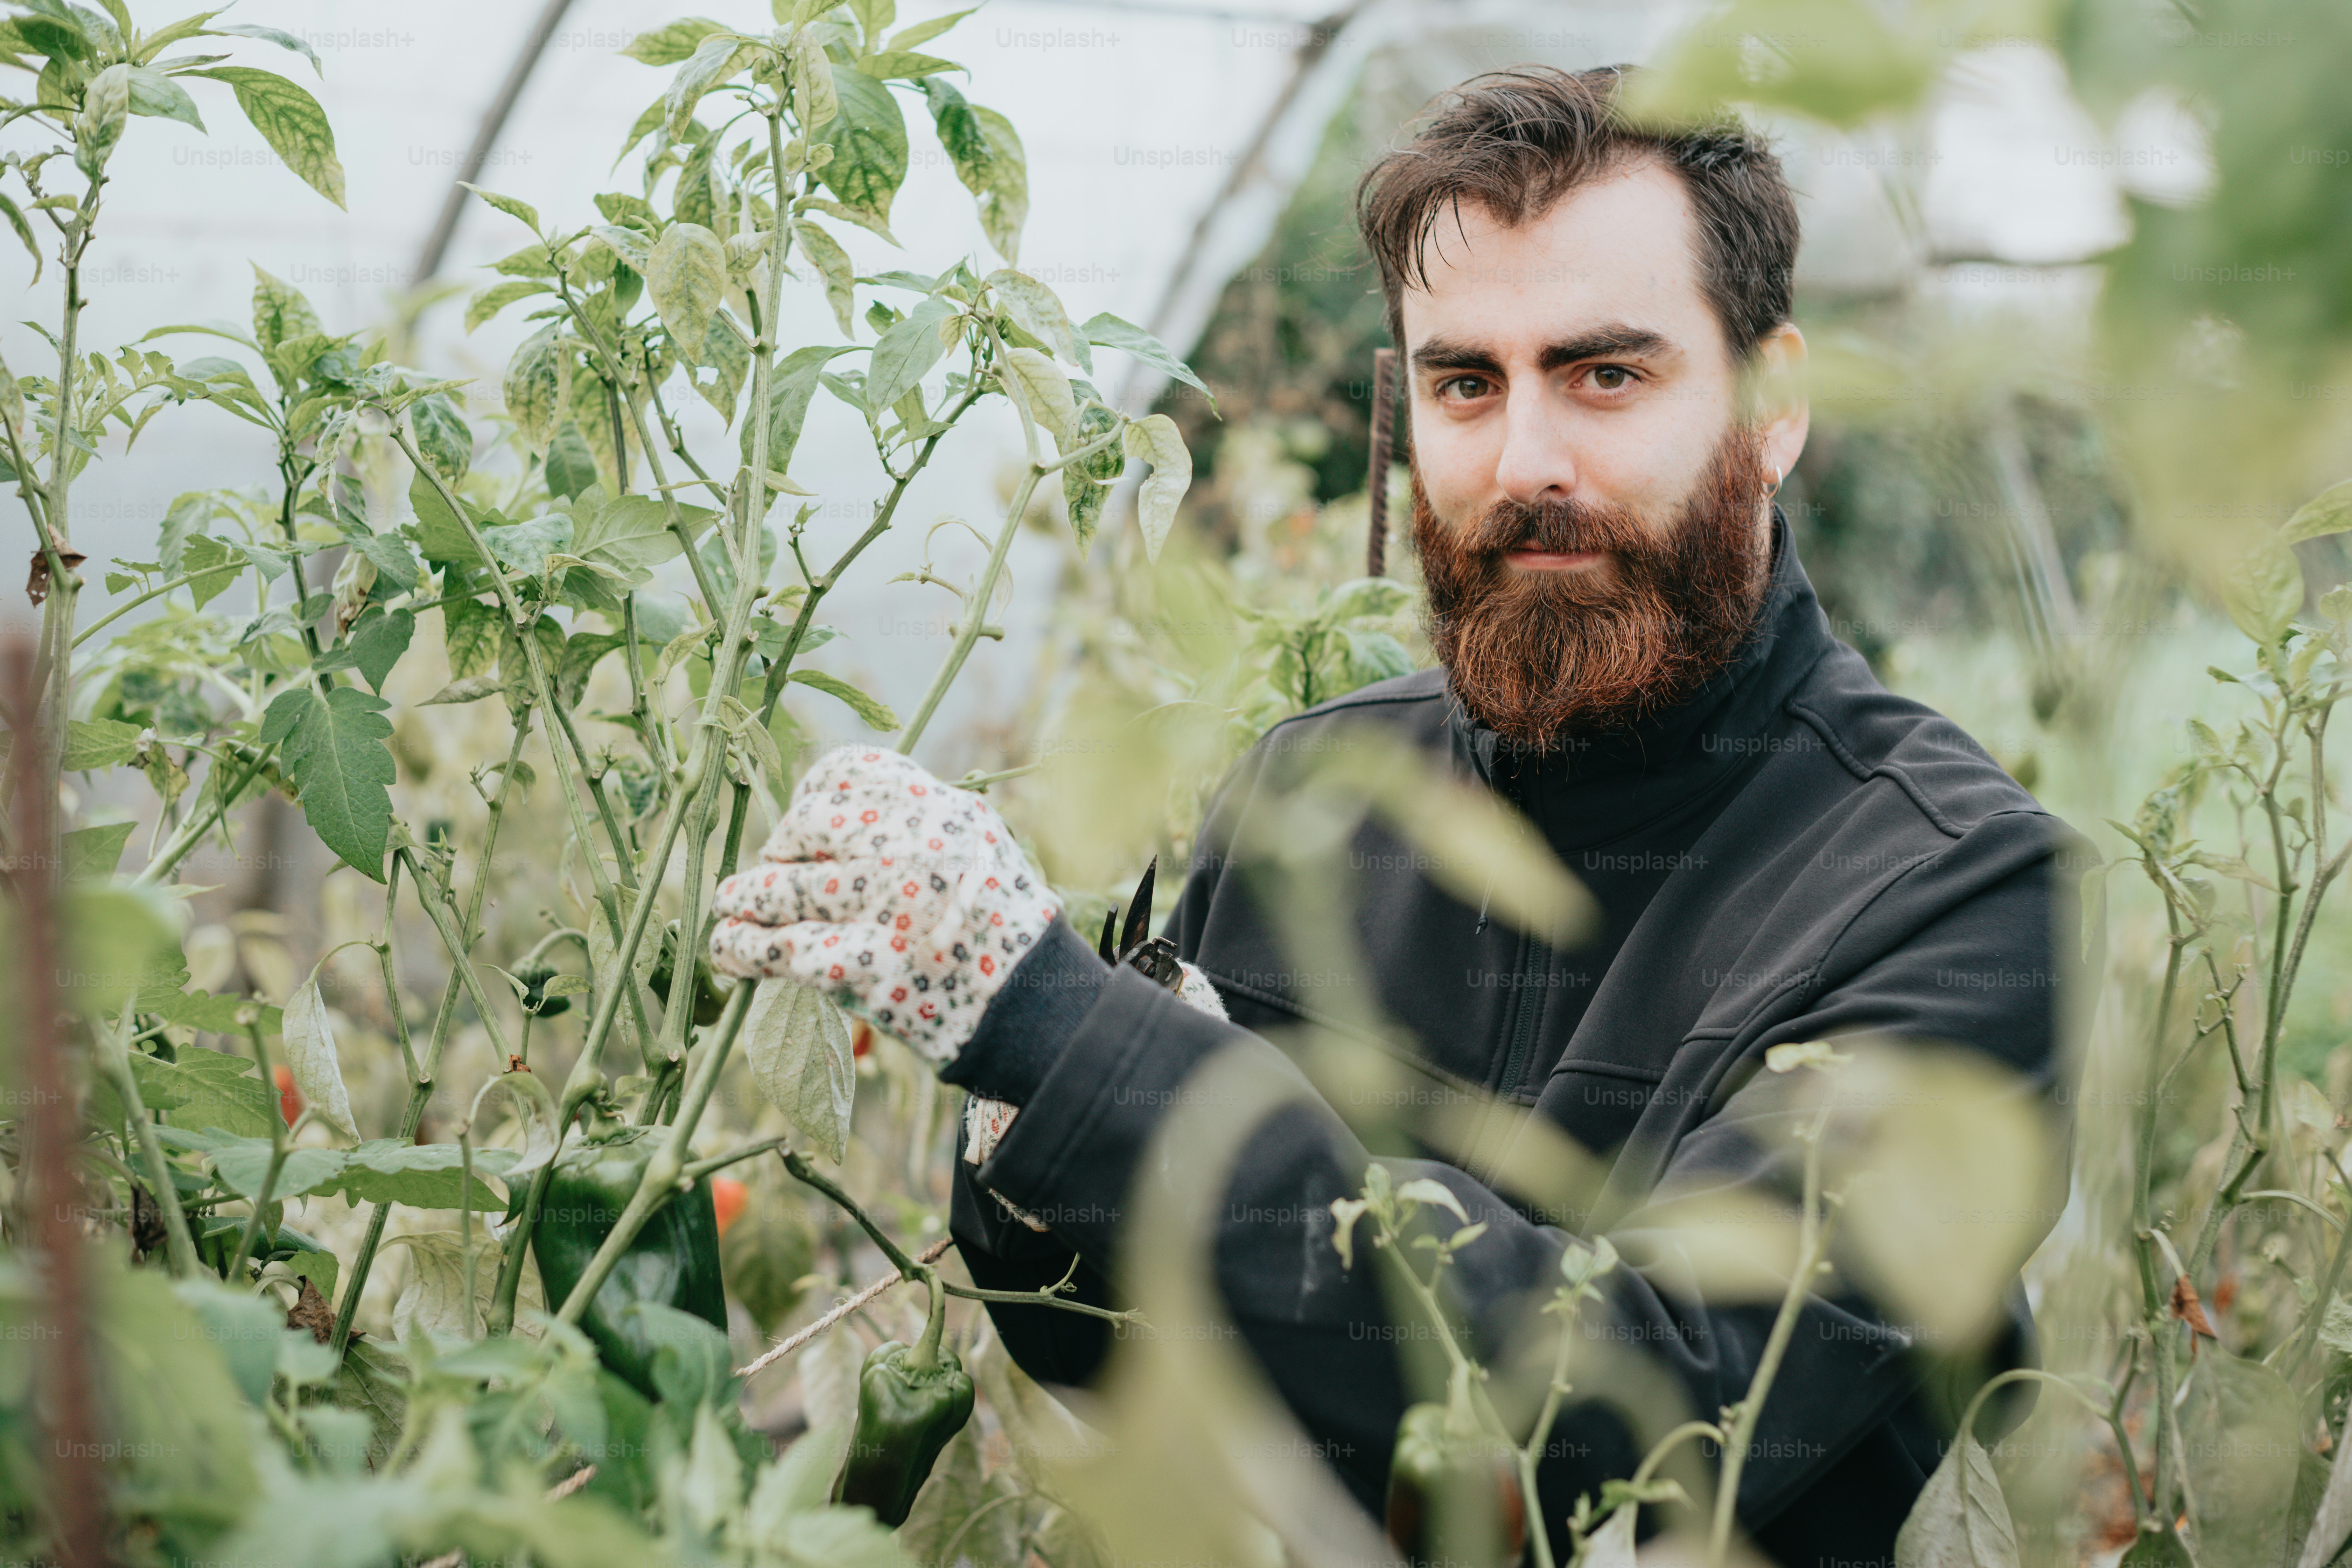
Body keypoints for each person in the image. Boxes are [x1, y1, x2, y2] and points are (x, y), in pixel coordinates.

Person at [709, 64, 2092, 1567]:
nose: (1524, 464)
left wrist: (1067, 1036)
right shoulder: (1311, 789)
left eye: (1606, 375)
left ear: (1774, 408)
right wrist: (1020, 1109)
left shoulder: (1959, 898)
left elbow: (1639, 1425)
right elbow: (1105, 1345)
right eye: (1466, 384)